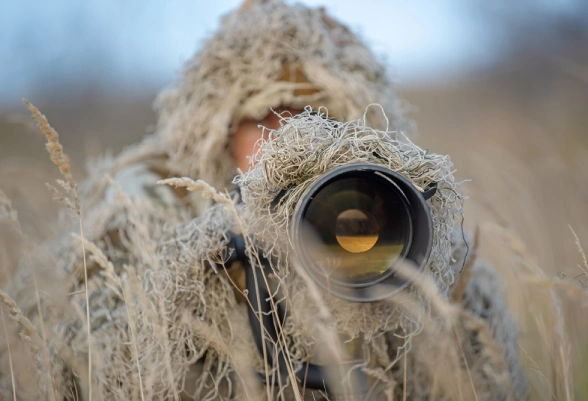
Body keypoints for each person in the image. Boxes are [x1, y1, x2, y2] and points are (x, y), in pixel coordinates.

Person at [1, 1, 529, 400]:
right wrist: (202, 270)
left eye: (309, 113)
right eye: (262, 116)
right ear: (219, 131)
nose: (287, 135)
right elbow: (96, 359)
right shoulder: (149, 202)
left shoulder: (397, 211)